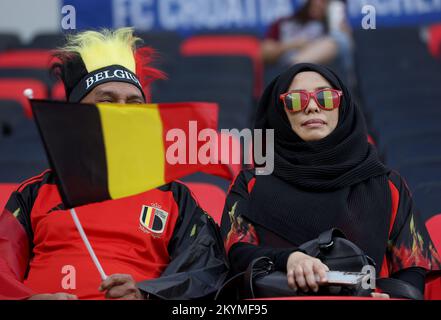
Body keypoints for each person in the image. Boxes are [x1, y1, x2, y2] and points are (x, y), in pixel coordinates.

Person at [0, 28, 228, 300]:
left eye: (133, 103)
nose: (123, 111)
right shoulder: (34, 193)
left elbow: (206, 272)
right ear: (76, 115)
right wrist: (28, 300)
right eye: (107, 100)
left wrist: (145, 295)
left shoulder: (174, 196)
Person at [220, 63, 441, 298]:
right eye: (296, 101)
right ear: (279, 113)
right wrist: (289, 259)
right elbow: (236, 254)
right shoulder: (252, 184)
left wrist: (392, 297)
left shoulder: (387, 184)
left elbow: (412, 265)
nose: (313, 107)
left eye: (325, 97)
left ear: (342, 106)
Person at [261, 0, 352, 71]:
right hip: (284, 66)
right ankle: (295, 68)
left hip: (319, 72)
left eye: (325, 2)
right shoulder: (284, 23)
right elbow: (265, 52)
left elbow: (345, 51)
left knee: (338, 40)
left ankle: (296, 66)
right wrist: (293, 45)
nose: (318, 4)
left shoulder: (330, 27)